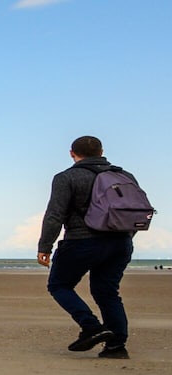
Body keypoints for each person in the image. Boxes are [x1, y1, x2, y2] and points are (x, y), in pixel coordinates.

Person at [37, 136, 136, 359]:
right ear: (102, 152)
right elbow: (133, 210)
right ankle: (116, 346)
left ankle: (91, 326)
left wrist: (45, 246)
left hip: (82, 240)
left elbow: (55, 214)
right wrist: (126, 237)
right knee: (108, 292)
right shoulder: (124, 176)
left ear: (72, 153)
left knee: (59, 285)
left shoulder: (67, 177)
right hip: (120, 242)